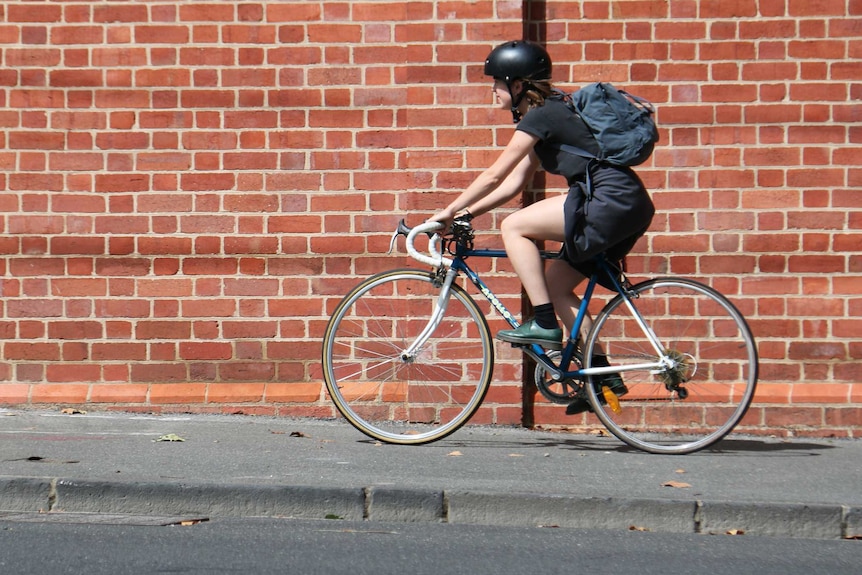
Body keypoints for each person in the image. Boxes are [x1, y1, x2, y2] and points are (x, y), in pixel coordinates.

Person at [429, 40, 655, 414]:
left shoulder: (541, 116)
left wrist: (449, 211)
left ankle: (545, 324)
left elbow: (493, 174)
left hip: (607, 200)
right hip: (626, 203)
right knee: (556, 285)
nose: (492, 90)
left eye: (496, 82)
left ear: (518, 85)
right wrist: (467, 215)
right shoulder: (549, 115)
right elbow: (512, 185)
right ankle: (602, 374)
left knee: (516, 226)